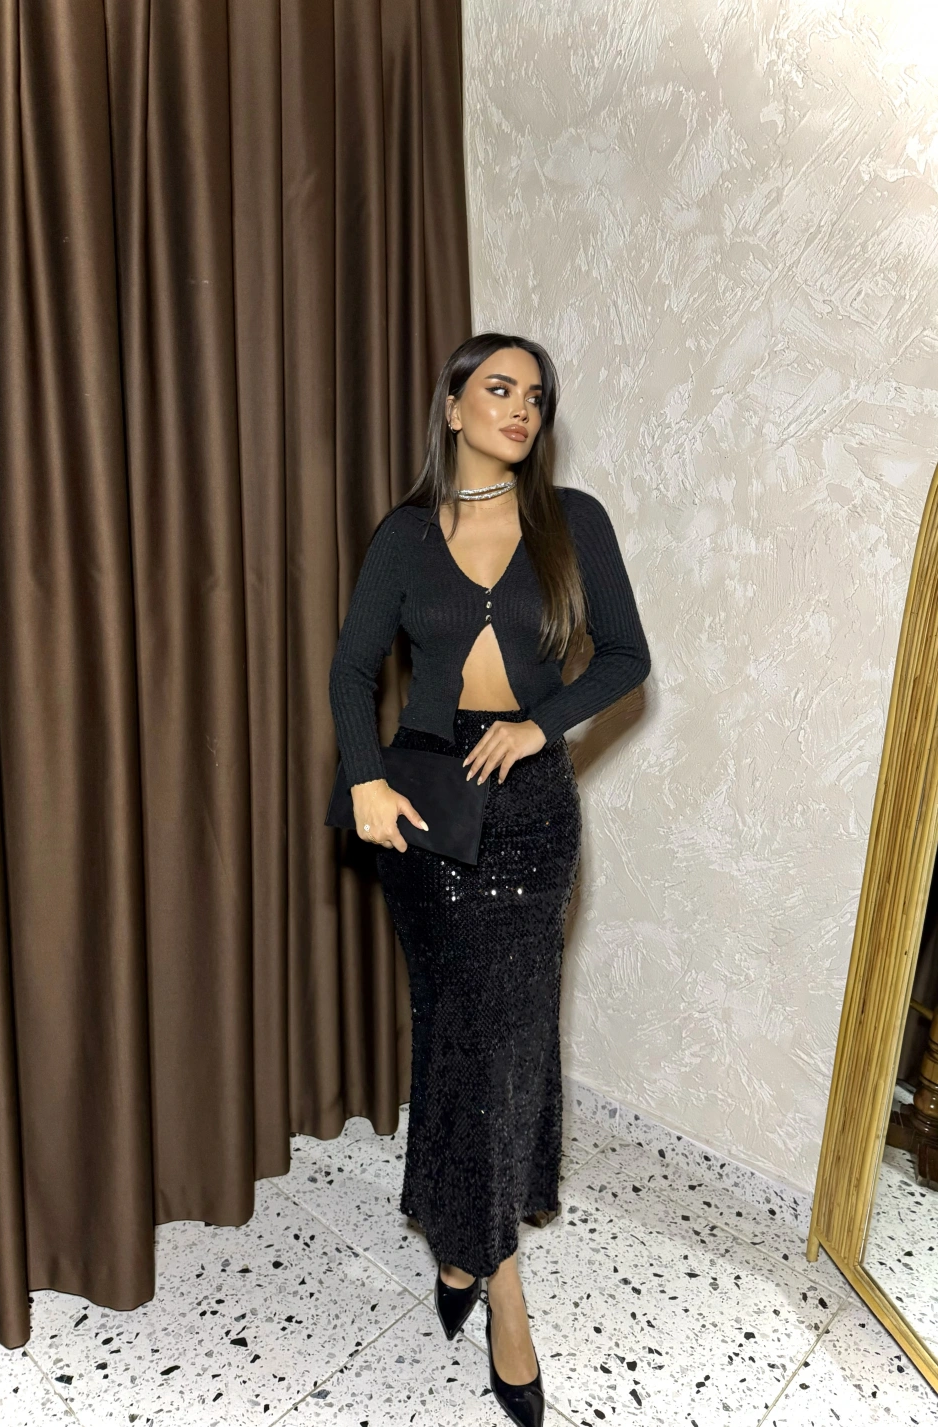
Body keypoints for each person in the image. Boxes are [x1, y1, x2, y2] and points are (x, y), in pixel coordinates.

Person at [328, 332, 650, 1426]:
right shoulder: (406, 533)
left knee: (504, 1041)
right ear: (455, 404)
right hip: (426, 806)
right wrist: (365, 778)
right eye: (499, 388)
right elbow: (351, 668)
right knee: (457, 1033)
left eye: (536, 395)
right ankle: (490, 1270)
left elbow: (625, 656)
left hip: (530, 817)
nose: (521, 407)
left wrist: (538, 723)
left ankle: (475, 1259)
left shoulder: (573, 521)